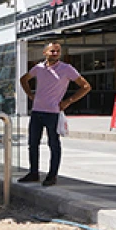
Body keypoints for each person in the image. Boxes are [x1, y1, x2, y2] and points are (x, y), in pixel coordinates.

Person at [18, 42, 92, 186]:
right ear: (45, 52)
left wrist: (68, 101)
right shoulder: (38, 68)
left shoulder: (66, 69)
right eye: (52, 51)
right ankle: (33, 173)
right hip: (37, 111)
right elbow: (23, 79)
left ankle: (52, 176)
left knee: (54, 144)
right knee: (33, 144)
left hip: (53, 112)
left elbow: (86, 86)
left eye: (57, 51)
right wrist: (30, 94)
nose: (55, 53)